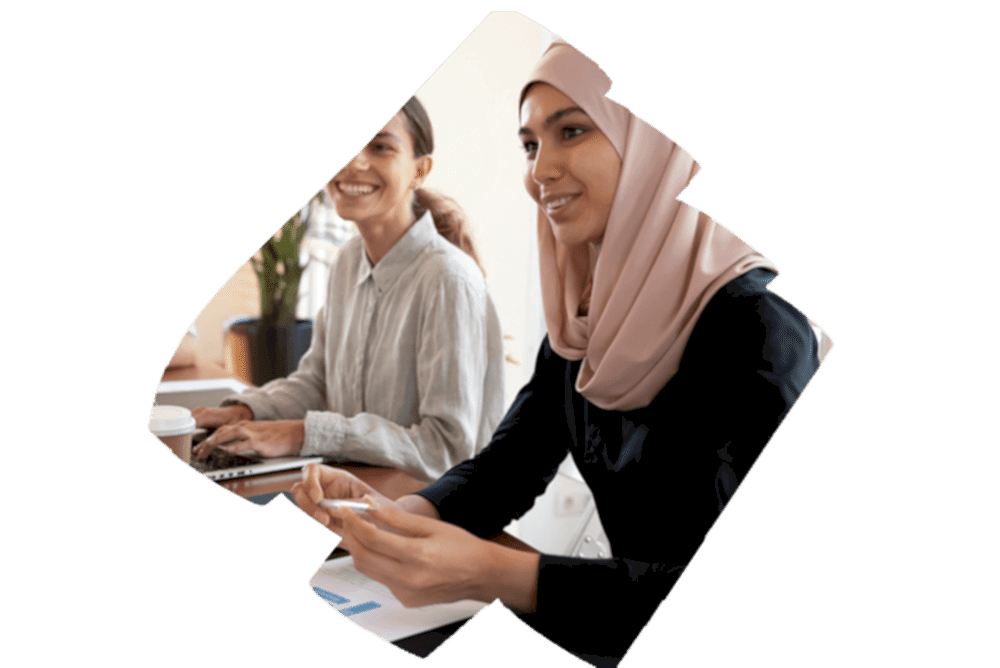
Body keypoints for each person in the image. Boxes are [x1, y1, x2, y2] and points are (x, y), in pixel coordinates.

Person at [292, 43, 832, 666]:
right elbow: (506, 469)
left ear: (659, 147)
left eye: (572, 131)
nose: (539, 171)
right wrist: (394, 516)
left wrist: (500, 574)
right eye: (529, 145)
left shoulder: (761, 330)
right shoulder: (584, 322)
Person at [191, 96, 506, 484]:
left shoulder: (447, 279)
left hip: (423, 519)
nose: (354, 161)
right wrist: (247, 411)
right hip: (357, 496)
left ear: (420, 170)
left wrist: (303, 433)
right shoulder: (349, 260)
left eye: (380, 146)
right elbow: (318, 382)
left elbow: (445, 449)